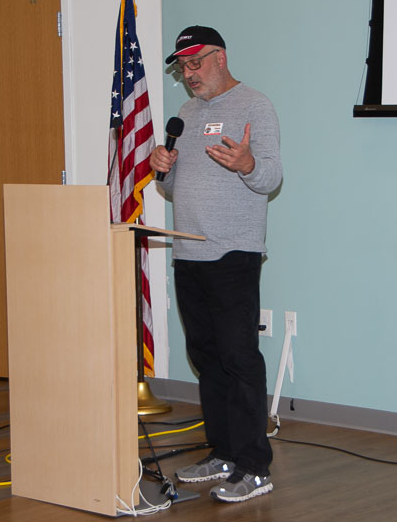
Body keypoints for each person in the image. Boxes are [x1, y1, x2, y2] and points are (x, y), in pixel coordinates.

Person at [150, 26, 282, 503]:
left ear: (219, 58)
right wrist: (162, 168)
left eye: (195, 63)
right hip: (188, 252)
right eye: (182, 68)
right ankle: (223, 452)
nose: (188, 75)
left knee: (238, 358)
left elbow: (271, 177)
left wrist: (247, 165)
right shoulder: (186, 114)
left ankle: (254, 466)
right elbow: (172, 189)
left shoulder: (255, 106)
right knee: (207, 358)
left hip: (232, 252)